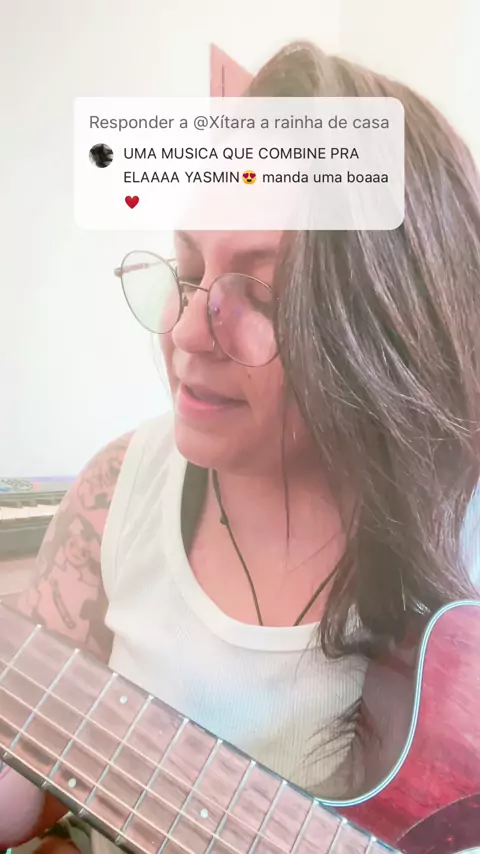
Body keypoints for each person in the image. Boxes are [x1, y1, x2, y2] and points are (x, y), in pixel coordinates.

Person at [2, 38, 480, 854]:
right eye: (187, 269)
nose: (188, 331)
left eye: (260, 291)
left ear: (389, 326)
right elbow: (32, 771)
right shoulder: (118, 488)